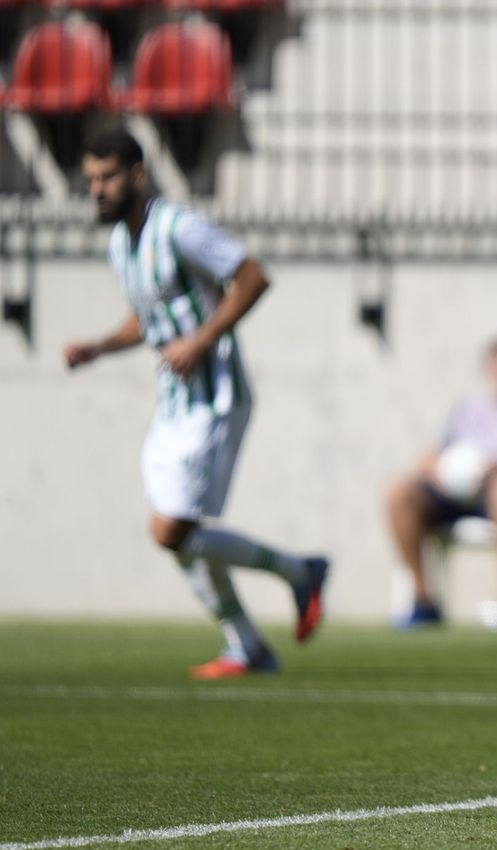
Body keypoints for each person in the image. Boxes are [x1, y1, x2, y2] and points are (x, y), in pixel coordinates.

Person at [63, 129, 328, 680]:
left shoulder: (179, 228)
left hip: (216, 396)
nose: (97, 190)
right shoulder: (119, 243)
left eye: (107, 177)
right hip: (174, 403)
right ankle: (247, 646)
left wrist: (201, 340)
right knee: (180, 536)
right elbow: (148, 317)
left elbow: (253, 277)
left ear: (137, 174)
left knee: (170, 531)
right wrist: (99, 347)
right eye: (90, 180)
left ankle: (298, 572)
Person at [386, 338, 497, 632]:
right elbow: (428, 458)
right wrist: (450, 472)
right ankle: (423, 599)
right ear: (491, 370)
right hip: (452, 497)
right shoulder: (467, 410)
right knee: (397, 492)